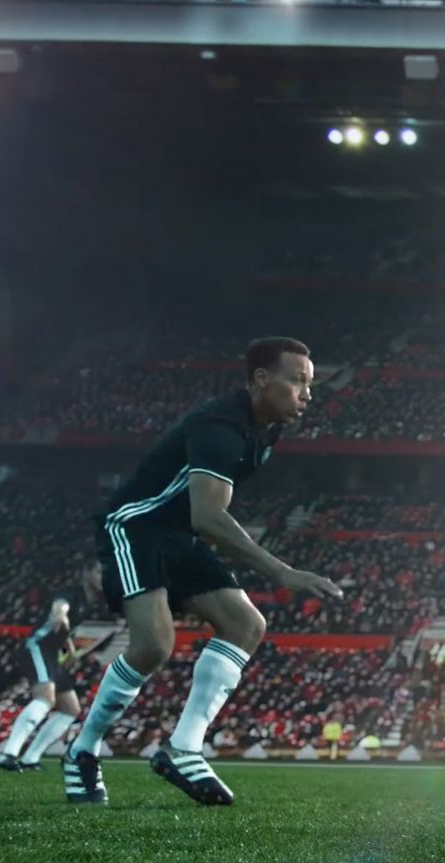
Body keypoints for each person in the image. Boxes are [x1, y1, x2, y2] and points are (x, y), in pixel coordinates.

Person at [63, 337, 341, 806]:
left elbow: (202, 516)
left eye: (309, 384)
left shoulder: (266, 430)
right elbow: (208, 516)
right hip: (136, 526)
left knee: (246, 624)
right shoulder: (221, 427)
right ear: (261, 379)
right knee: (153, 646)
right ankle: (83, 750)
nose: (307, 394)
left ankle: (184, 747)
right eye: (298, 381)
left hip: (178, 532)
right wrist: (281, 571)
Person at [0, 561, 102, 772]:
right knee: (45, 698)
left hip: (53, 654)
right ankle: (9, 754)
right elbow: (59, 607)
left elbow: (65, 632)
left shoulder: (90, 603)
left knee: (71, 710)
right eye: (98, 571)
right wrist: (60, 613)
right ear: (87, 572)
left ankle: (31, 758)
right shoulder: (71, 592)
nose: (102, 577)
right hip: (38, 646)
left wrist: (70, 652)